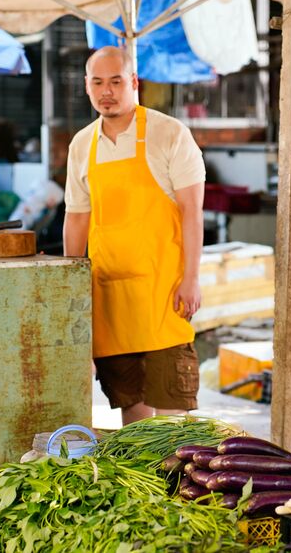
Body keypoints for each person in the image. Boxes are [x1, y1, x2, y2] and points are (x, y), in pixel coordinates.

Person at [64, 46, 205, 425]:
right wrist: (71, 293)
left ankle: (176, 485)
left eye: (115, 81)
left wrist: (191, 279)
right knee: (133, 415)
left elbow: (192, 211)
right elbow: (76, 219)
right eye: (97, 82)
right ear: (87, 86)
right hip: (110, 297)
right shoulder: (82, 144)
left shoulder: (170, 133)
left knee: (174, 414)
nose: (106, 91)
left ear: (133, 83)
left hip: (164, 292)